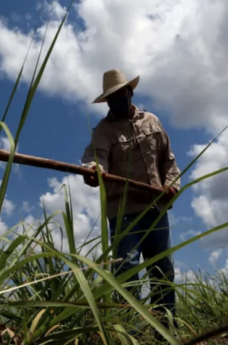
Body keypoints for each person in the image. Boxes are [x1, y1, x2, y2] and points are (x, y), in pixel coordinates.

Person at [81, 68, 181, 332]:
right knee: (126, 272)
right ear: (107, 101)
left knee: (163, 271)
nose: (117, 100)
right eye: (111, 97)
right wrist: (94, 170)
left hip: (156, 209)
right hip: (124, 212)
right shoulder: (103, 131)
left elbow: (168, 160)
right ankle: (130, 333)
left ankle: (166, 330)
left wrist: (172, 185)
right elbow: (95, 156)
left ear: (130, 92)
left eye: (121, 94)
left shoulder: (152, 122)